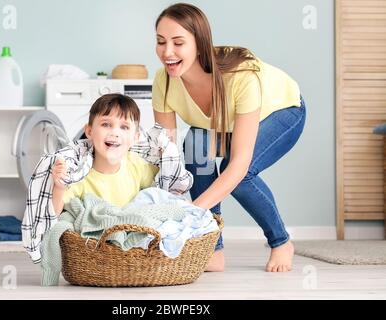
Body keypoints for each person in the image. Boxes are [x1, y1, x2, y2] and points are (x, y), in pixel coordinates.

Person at [152, 3, 306, 272]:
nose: (168, 52)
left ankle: (281, 242)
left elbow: (239, 164)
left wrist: (193, 212)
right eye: (161, 42)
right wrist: (159, 203)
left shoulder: (241, 76)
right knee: (195, 144)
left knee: (239, 175)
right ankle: (213, 248)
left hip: (283, 110)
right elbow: (167, 155)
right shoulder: (164, 82)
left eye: (178, 43)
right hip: (230, 125)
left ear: (199, 44)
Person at [51, 93, 159, 215]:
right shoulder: (80, 175)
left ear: (135, 137)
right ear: (89, 131)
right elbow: (54, 214)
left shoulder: (136, 164)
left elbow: (163, 186)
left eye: (124, 127)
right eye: (106, 124)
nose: (115, 132)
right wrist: (59, 187)